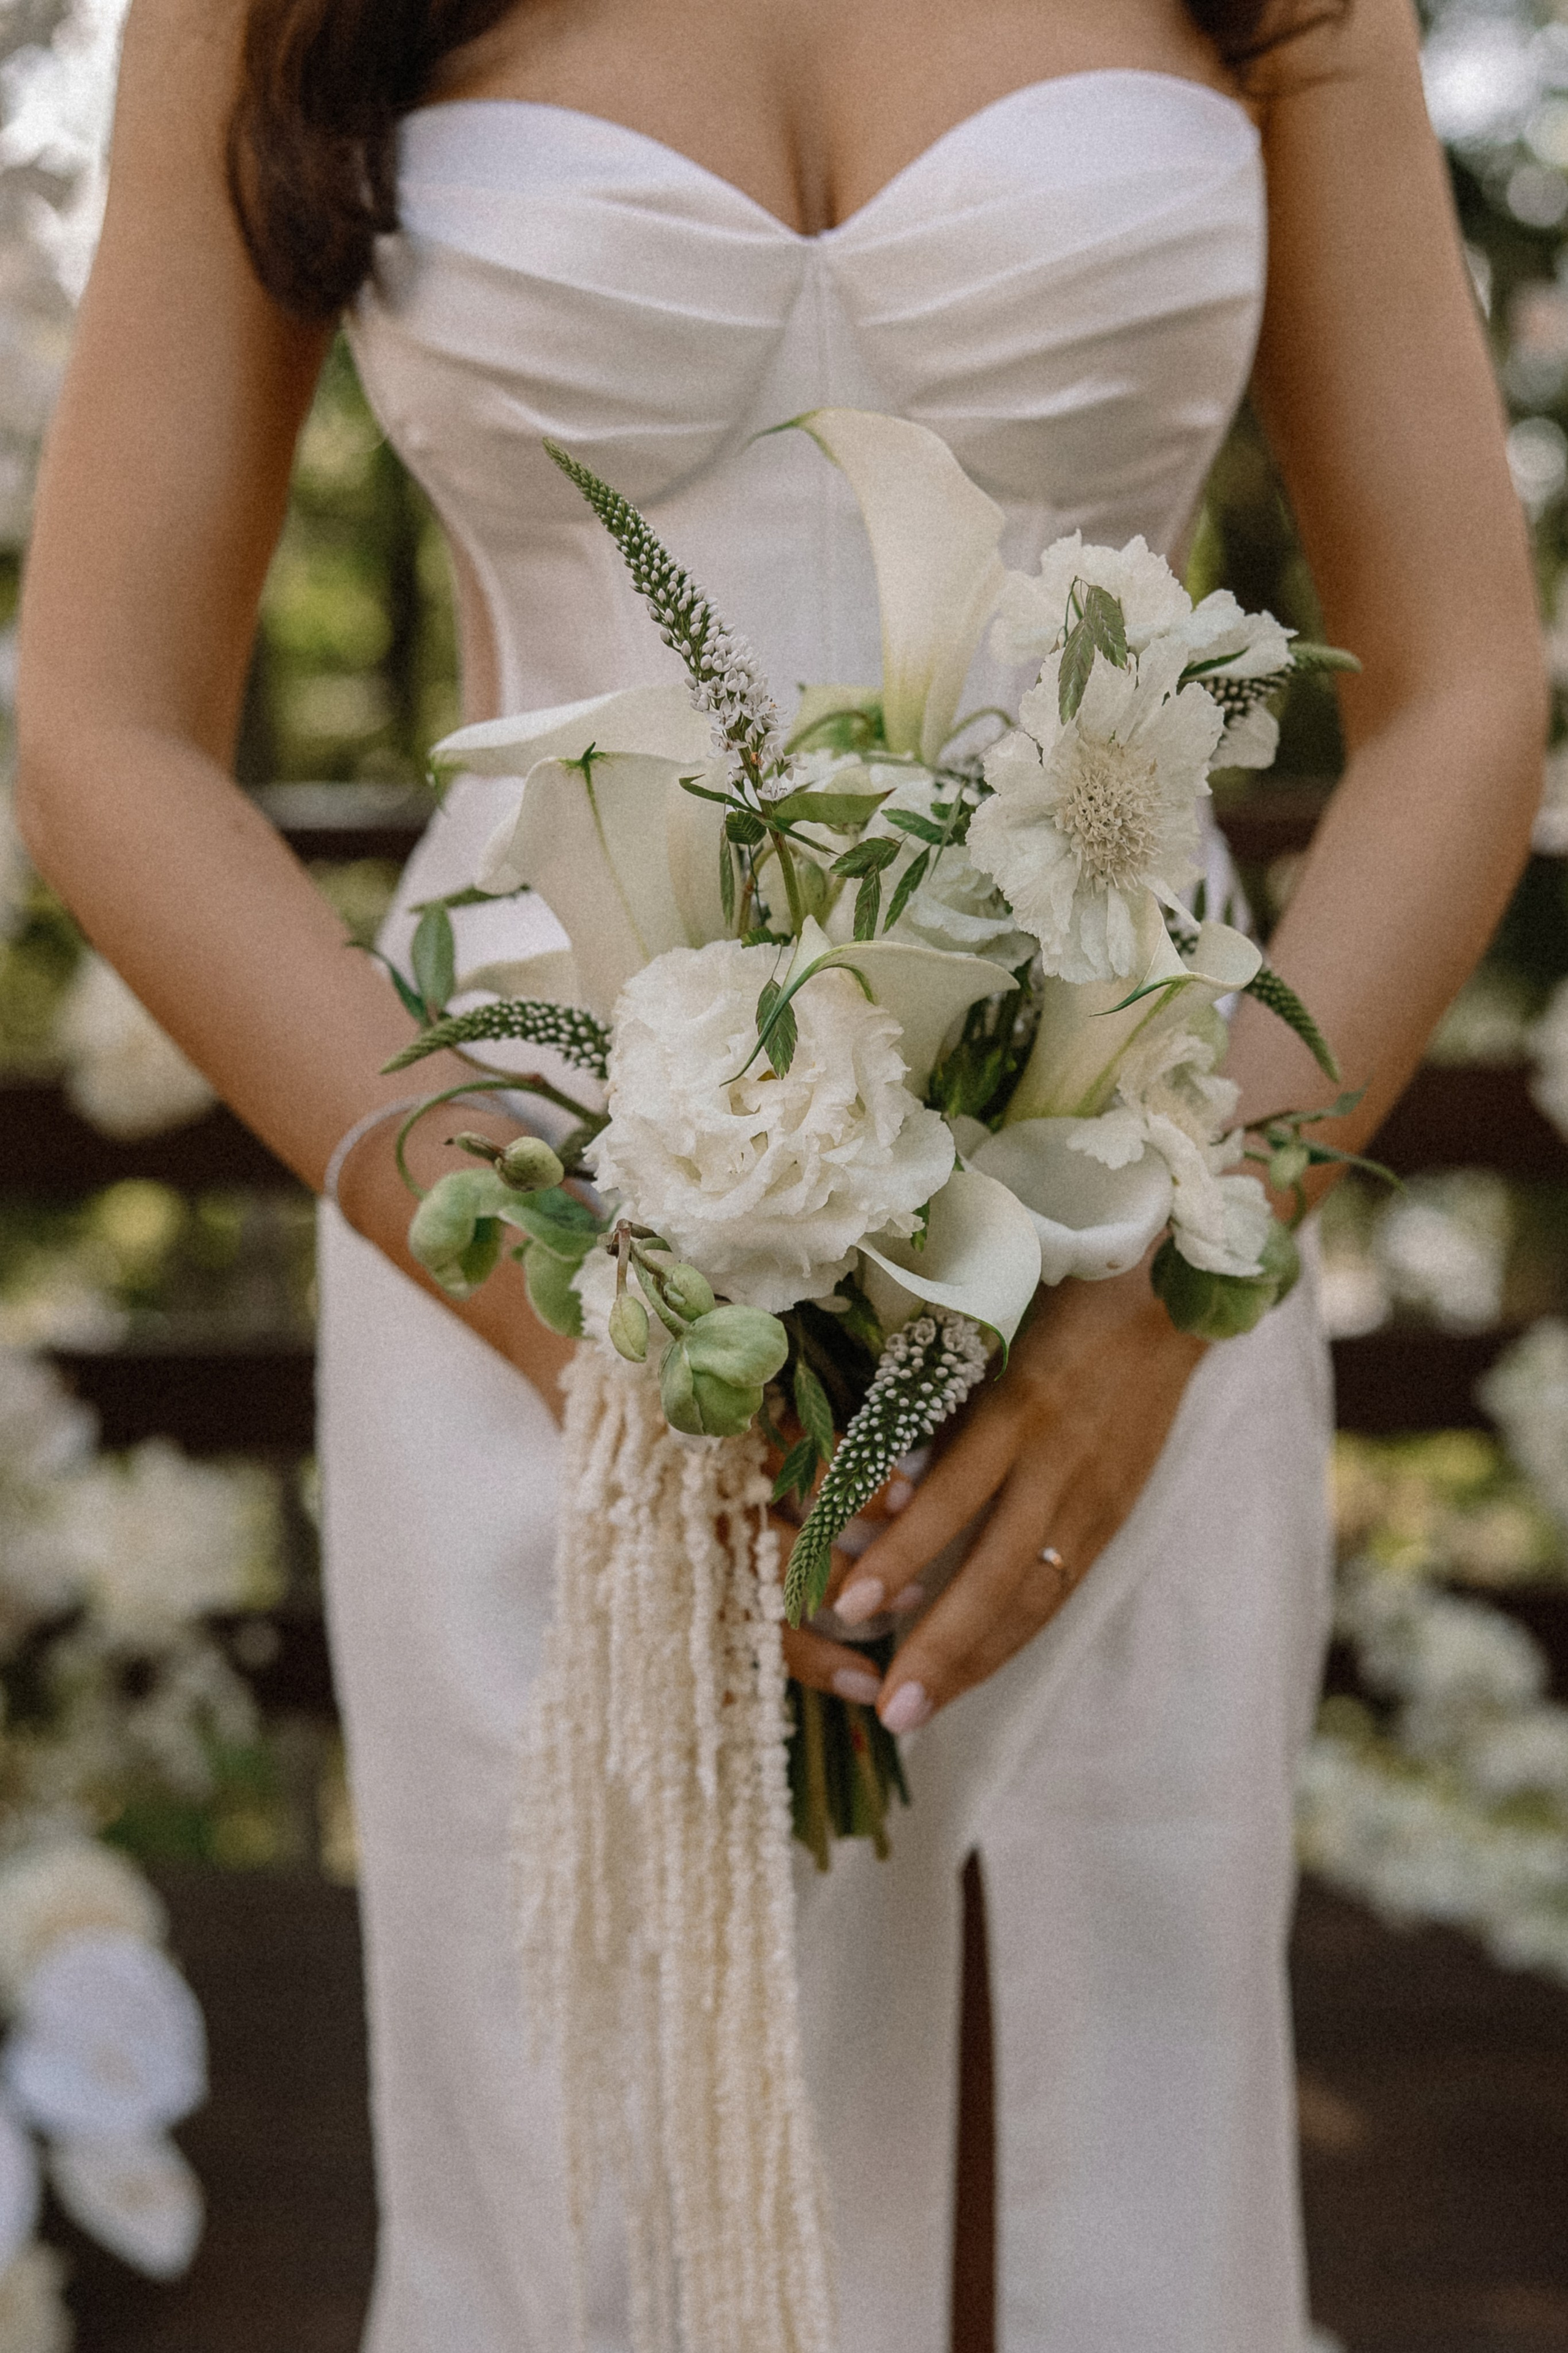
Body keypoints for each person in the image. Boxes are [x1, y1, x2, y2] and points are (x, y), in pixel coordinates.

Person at [13, 0, 1544, 2345]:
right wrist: (578, 1321)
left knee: (1115, 2158)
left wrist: (1171, 1288)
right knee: (604, 2189)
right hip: (531, 1231)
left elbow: (1461, 682)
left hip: (1144, 1200)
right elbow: (103, 726)